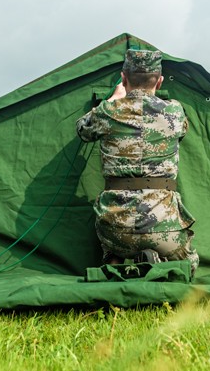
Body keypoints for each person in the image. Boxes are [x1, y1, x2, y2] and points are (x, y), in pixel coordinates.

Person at [76, 49, 199, 274]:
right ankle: (157, 263)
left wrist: (113, 100)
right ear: (159, 81)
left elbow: (83, 130)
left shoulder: (108, 111)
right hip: (164, 230)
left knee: (113, 239)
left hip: (116, 229)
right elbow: (182, 132)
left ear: (124, 78)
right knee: (188, 268)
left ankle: (115, 258)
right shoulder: (175, 111)